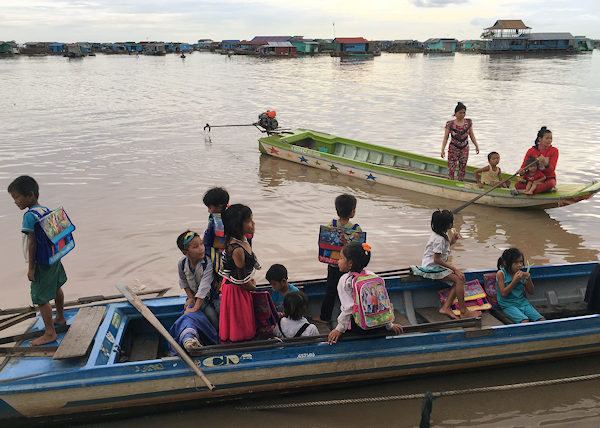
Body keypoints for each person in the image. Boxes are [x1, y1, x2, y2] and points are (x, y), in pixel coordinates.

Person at [7, 176, 67, 346]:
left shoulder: (29, 216)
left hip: (40, 262)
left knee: (40, 298)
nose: (15, 202)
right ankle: (60, 317)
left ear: (30, 195)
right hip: (53, 258)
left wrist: (31, 268)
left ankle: (50, 333)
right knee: (56, 287)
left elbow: (32, 244)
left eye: (17, 197)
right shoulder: (45, 210)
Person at [410, 209, 481, 319]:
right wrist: (454, 269)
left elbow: (441, 251)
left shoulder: (440, 235)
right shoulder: (439, 239)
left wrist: (452, 242)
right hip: (431, 268)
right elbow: (436, 259)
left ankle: (446, 307)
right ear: (449, 225)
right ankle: (464, 311)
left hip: (434, 265)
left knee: (459, 280)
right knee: (459, 279)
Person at [328, 242, 403, 344]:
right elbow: (382, 304)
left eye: (341, 258)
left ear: (350, 263)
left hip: (359, 328)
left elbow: (349, 308)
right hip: (378, 325)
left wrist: (339, 329)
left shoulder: (345, 280)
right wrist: (390, 325)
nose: (338, 261)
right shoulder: (372, 275)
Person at [314, 194, 362, 325]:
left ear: (337, 210)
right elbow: (359, 248)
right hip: (350, 267)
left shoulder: (331, 224)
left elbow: (324, 243)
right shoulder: (356, 229)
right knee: (349, 292)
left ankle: (325, 317)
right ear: (352, 212)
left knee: (330, 290)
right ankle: (353, 318)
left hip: (334, 265)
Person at [218, 204, 260, 343]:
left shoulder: (242, 238)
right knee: (240, 321)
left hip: (237, 284)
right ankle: (240, 343)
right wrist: (253, 287)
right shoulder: (237, 249)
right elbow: (241, 281)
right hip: (236, 289)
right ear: (237, 226)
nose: (253, 223)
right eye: (248, 221)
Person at [176, 230, 219, 329]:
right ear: (185, 252)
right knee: (206, 315)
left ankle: (219, 338)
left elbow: (205, 285)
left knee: (215, 315)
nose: (201, 248)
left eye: (201, 244)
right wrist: (190, 297)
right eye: (195, 247)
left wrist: (196, 307)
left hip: (211, 296)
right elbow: (183, 281)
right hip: (196, 296)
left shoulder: (207, 263)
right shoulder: (182, 263)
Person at [496, 248, 545, 323]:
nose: (519, 265)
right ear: (506, 263)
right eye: (515, 262)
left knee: (541, 320)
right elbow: (503, 293)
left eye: (521, 262)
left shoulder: (521, 274)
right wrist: (514, 281)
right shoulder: (501, 274)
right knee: (525, 321)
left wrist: (529, 279)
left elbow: (531, 292)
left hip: (523, 303)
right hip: (508, 305)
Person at [441, 102, 480, 181]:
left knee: (463, 166)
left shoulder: (468, 122)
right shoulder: (450, 124)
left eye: (464, 113)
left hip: (464, 148)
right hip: (453, 148)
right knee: (451, 166)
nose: (462, 114)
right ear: (455, 113)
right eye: (460, 113)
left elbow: (471, 135)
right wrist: (442, 149)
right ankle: (450, 180)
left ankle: (460, 181)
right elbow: (446, 137)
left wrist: (476, 146)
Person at [515, 126, 558, 194]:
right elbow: (524, 166)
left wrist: (545, 162)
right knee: (517, 185)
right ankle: (543, 190)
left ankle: (526, 191)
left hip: (547, 178)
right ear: (540, 139)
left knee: (551, 183)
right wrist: (521, 171)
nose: (549, 140)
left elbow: (551, 169)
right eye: (547, 138)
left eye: (551, 138)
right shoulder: (531, 151)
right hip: (533, 179)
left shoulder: (554, 151)